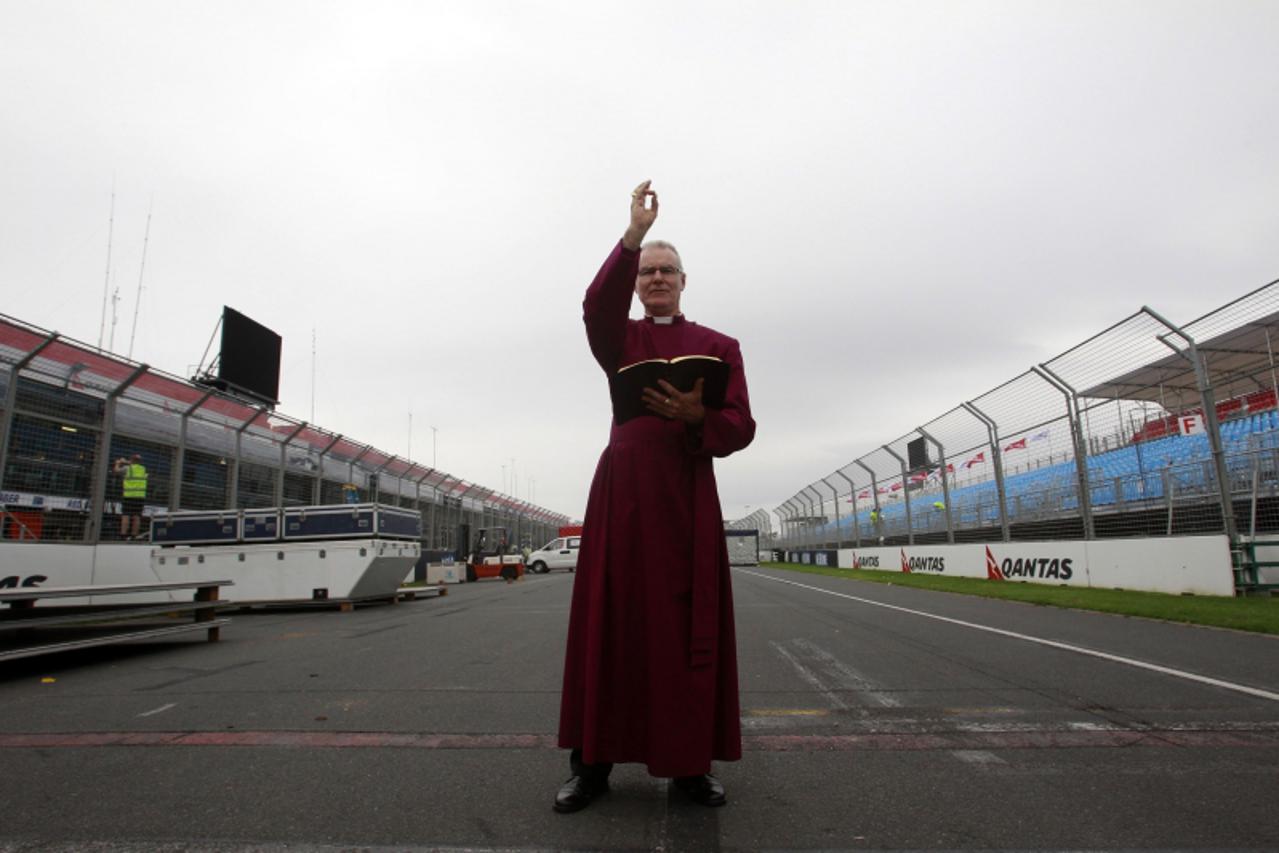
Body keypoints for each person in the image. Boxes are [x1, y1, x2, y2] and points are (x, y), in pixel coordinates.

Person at [555, 181, 756, 813]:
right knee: (608, 624)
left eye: (667, 270)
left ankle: (689, 767)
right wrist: (631, 236)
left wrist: (699, 416)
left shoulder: (721, 346)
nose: (658, 278)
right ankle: (591, 766)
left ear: (684, 280)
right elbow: (594, 306)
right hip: (623, 498)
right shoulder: (620, 342)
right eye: (648, 272)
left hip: (686, 497)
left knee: (684, 629)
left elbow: (741, 428)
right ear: (637, 283)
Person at [112, 453, 148, 540]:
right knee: (137, 516)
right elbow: (134, 464)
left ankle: (123, 535)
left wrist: (117, 463)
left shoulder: (127, 468)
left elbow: (116, 471)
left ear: (131, 460)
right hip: (140, 496)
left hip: (128, 495)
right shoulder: (143, 469)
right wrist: (126, 462)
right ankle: (134, 535)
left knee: (126, 515)